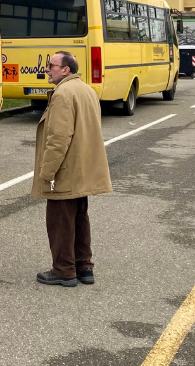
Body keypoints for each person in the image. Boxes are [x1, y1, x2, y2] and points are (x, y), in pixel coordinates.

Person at [32, 51, 112, 287]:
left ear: (66, 69)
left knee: (60, 220)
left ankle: (64, 270)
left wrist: (47, 173)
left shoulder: (63, 94)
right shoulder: (86, 89)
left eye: (52, 65)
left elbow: (58, 138)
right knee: (79, 217)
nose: (47, 69)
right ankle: (84, 266)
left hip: (65, 169)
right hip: (82, 167)